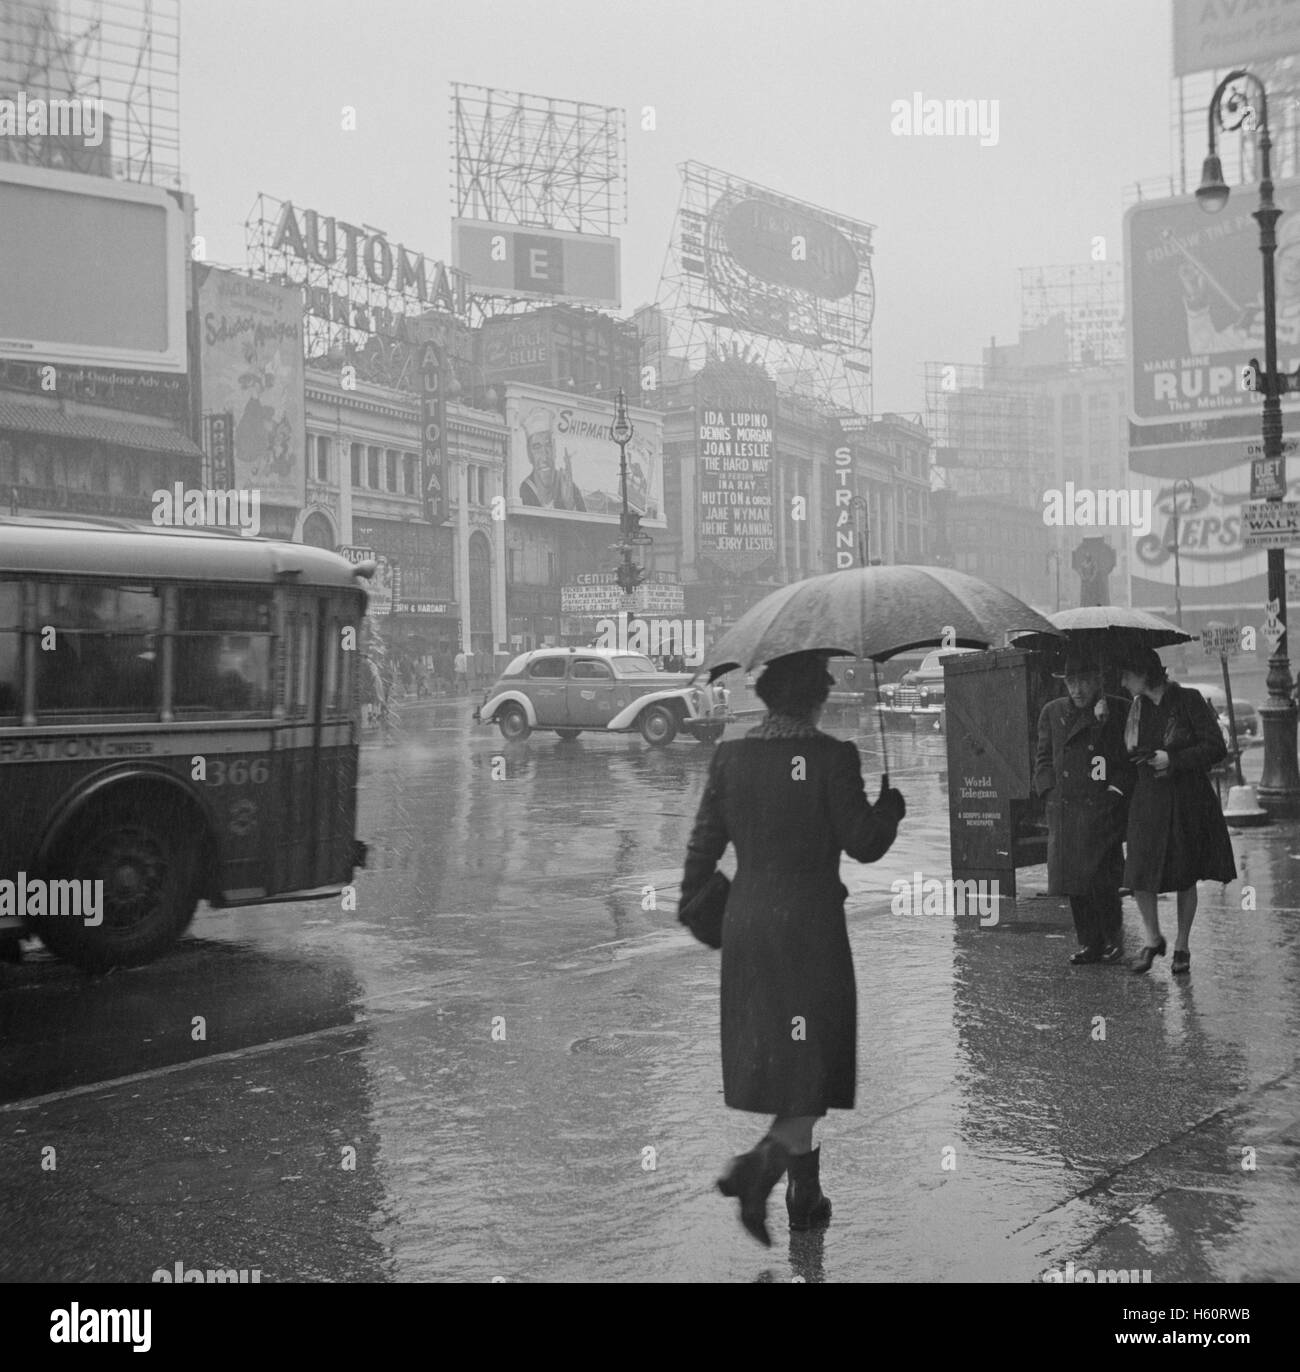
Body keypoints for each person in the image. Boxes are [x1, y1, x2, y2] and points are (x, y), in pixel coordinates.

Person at [680, 650, 906, 1246]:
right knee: (814, 1064)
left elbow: (700, 854)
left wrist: (716, 917)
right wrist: (891, 810)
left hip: (749, 929)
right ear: (815, 698)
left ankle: (804, 1193)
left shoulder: (730, 758)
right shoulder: (833, 757)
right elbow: (865, 845)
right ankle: (759, 1172)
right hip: (811, 933)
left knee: (792, 1070)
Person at [1118, 646, 1237, 976]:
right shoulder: (1136, 708)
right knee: (1139, 873)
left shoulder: (1188, 699)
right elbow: (1125, 752)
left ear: (1144, 674)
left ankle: (1182, 946)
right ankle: (1154, 938)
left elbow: (1216, 746)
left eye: (1127, 674)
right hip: (1148, 799)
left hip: (1187, 799)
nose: (1123, 681)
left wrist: (1173, 759)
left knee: (1185, 874)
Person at [1033, 652, 1134, 966]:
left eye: (1083, 682)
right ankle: (1089, 942)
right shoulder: (1053, 712)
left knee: (1101, 881)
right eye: (1070, 682)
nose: (1076, 689)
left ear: (1096, 681)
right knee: (1074, 882)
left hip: (1099, 807)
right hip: (1064, 808)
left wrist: (1115, 792)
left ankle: (1112, 940)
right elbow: (1043, 757)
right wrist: (1048, 790)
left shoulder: (1115, 710)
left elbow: (1125, 759)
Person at [519, 407, 587, 510]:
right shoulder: (526, 490)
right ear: (529, 454)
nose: (544, 456)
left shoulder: (570, 488)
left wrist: (570, 505)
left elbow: (585, 524)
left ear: (554, 449)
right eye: (537, 448)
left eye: (548, 446)